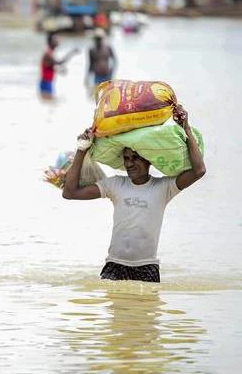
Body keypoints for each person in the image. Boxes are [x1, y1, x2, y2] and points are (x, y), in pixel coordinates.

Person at [62, 104, 205, 282]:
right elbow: (70, 192)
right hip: (114, 266)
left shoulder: (164, 188)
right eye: (126, 158)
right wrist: (81, 150)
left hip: (147, 268)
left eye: (135, 158)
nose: (129, 164)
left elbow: (199, 171)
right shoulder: (115, 184)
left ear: (149, 161)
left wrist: (187, 129)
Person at [39, 32, 79, 100]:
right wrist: (71, 53)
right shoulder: (48, 54)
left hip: (47, 82)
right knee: (50, 102)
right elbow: (60, 62)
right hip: (46, 83)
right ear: (50, 42)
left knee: (49, 103)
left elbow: (50, 66)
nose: (57, 41)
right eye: (55, 40)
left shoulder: (49, 53)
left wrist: (59, 71)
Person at [85, 28, 117, 93]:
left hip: (107, 75)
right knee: (97, 96)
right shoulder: (91, 50)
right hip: (97, 76)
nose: (98, 40)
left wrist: (112, 71)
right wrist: (87, 77)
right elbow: (90, 64)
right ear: (94, 39)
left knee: (108, 96)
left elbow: (115, 61)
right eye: (97, 38)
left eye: (99, 38)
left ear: (102, 38)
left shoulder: (108, 48)